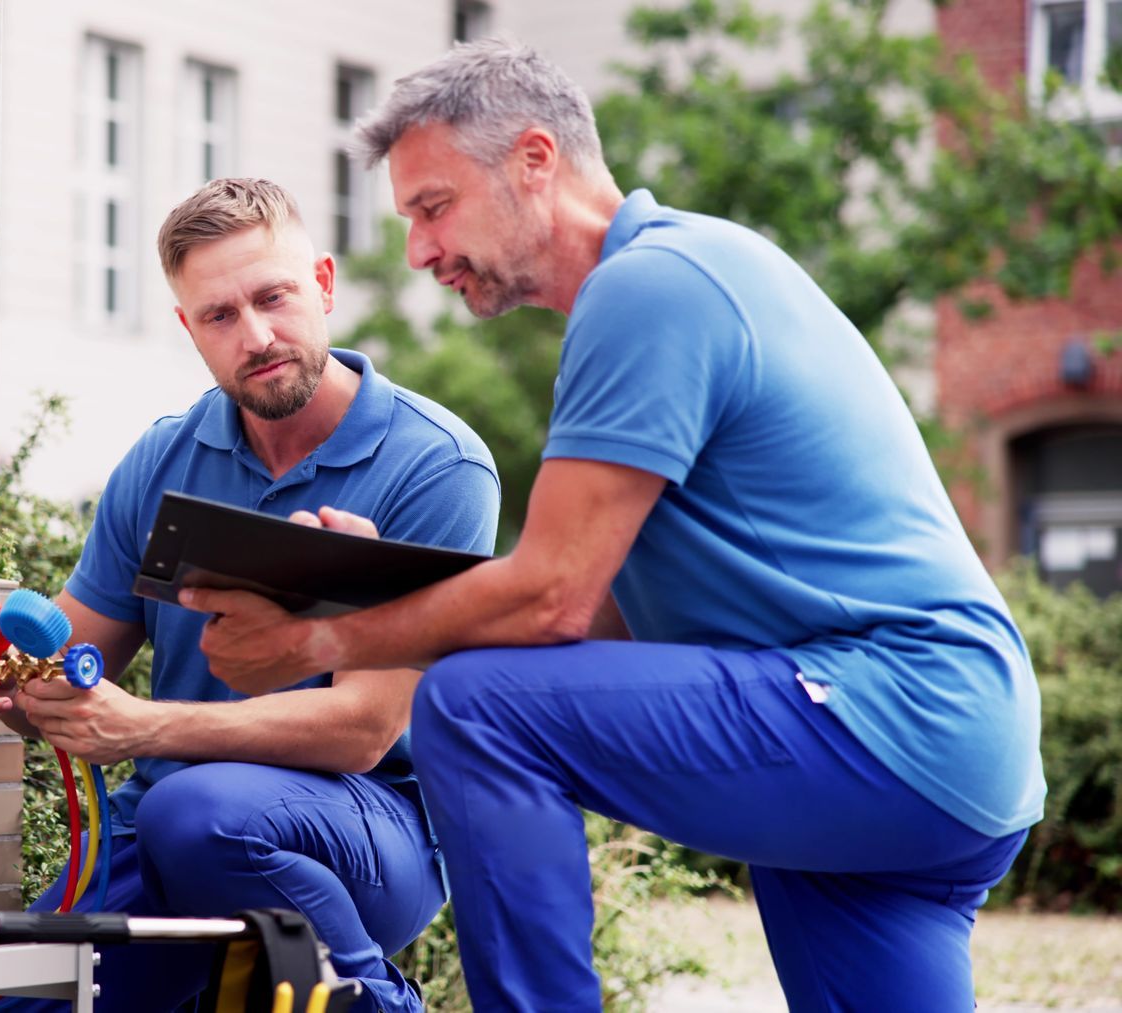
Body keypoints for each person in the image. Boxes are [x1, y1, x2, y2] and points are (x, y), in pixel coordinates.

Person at [183, 41, 1044, 1013]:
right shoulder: (682, 275)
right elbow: (604, 617)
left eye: (433, 206)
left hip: (885, 707)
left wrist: (317, 639)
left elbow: (551, 600)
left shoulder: (651, 287)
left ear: (535, 161)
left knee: (477, 706)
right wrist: (376, 584)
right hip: (951, 745)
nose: (420, 250)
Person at [0, 177, 501, 1013]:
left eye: (273, 297)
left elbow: (363, 729)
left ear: (322, 282)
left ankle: (378, 1003)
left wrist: (145, 726)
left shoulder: (436, 468)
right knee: (0, 1001)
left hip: (376, 828)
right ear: (187, 328)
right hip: (160, 827)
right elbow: (67, 671)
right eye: (220, 315)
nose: (257, 334)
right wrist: (9, 689)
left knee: (198, 809)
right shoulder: (162, 460)